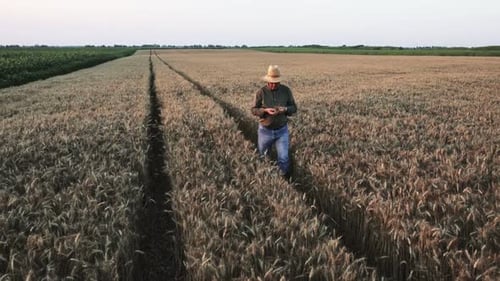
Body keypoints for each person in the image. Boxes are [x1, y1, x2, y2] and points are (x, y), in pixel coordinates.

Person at [251, 65, 297, 178]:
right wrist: (265, 110)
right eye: (271, 82)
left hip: (282, 131)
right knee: (263, 156)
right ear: (267, 80)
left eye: (276, 82)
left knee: (283, 158)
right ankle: (265, 178)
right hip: (265, 131)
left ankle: (284, 180)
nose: (273, 84)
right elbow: (253, 110)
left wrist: (284, 109)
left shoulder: (286, 91)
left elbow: (294, 108)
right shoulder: (261, 92)